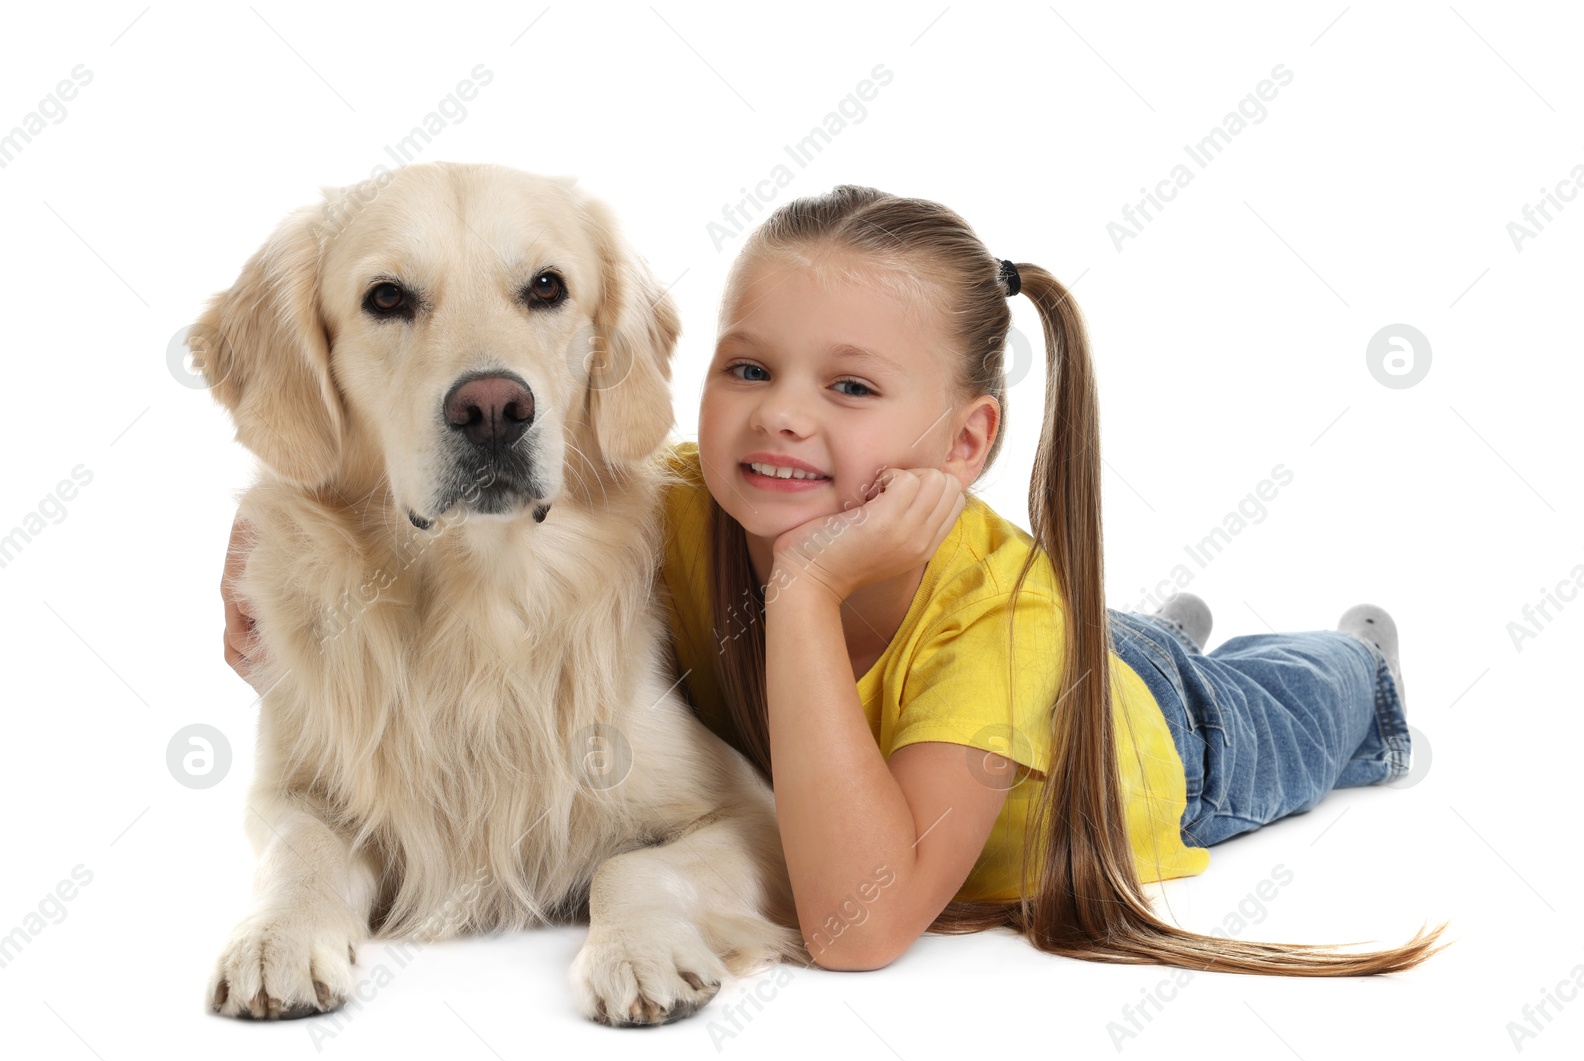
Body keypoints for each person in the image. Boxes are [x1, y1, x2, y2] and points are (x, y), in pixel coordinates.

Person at [221, 184, 1447, 977]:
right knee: (1118, 634)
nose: (781, 419)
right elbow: (334, 512)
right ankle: (1150, 630)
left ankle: (1353, 671)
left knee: (1280, 695)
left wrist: (802, 593)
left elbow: (855, 919)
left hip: (1155, 748)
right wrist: (267, 585)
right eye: (748, 367)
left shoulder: (1003, 628)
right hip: (1017, 654)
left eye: (850, 387)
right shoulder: (669, 503)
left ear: (965, 444)